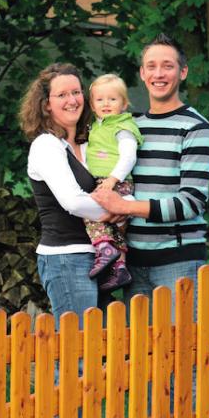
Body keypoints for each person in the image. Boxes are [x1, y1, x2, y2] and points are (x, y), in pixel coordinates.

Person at [91, 34, 209, 317]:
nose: (158, 74)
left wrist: (125, 207)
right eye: (151, 66)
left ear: (182, 72)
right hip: (132, 262)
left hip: (179, 262)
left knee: (183, 355)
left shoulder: (197, 129)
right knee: (141, 357)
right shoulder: (131, 128)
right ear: (142, 73)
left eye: (167, 66)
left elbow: (191, 202)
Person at [20, 63, 117, 326]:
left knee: (97, 349)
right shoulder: (46, 145)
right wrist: (120, 210)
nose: (72, 100)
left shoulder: (89, 144)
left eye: (76, 92)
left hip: (100, 256)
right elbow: (73, 201)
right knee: (77, 352)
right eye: (62, 95)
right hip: (66, 258)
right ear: (46, 104)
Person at [84, 74, 143, 292]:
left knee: (91, 214)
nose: (106, 104)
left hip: (115, 181)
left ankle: (104, 247)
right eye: (100, 100)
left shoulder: (122, 126)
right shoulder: (97, 126)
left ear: (124, 103)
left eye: (112, 99)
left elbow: (129, 156)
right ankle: (119, 268)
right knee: (115, 225)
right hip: (107, 180)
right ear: (92, 104)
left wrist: (112, 180)